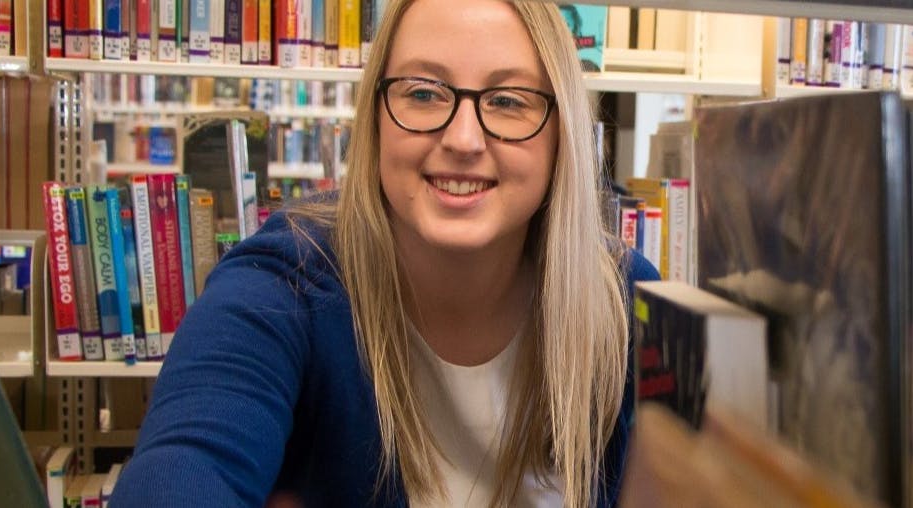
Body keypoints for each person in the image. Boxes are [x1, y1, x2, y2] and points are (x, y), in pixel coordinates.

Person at [113, 0, 658, 506]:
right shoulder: (284, 284)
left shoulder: (625, 300)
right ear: (375, 118)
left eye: (507, 101)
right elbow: (188, 462)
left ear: (562, 133)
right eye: (423, 93)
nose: (464, 140)